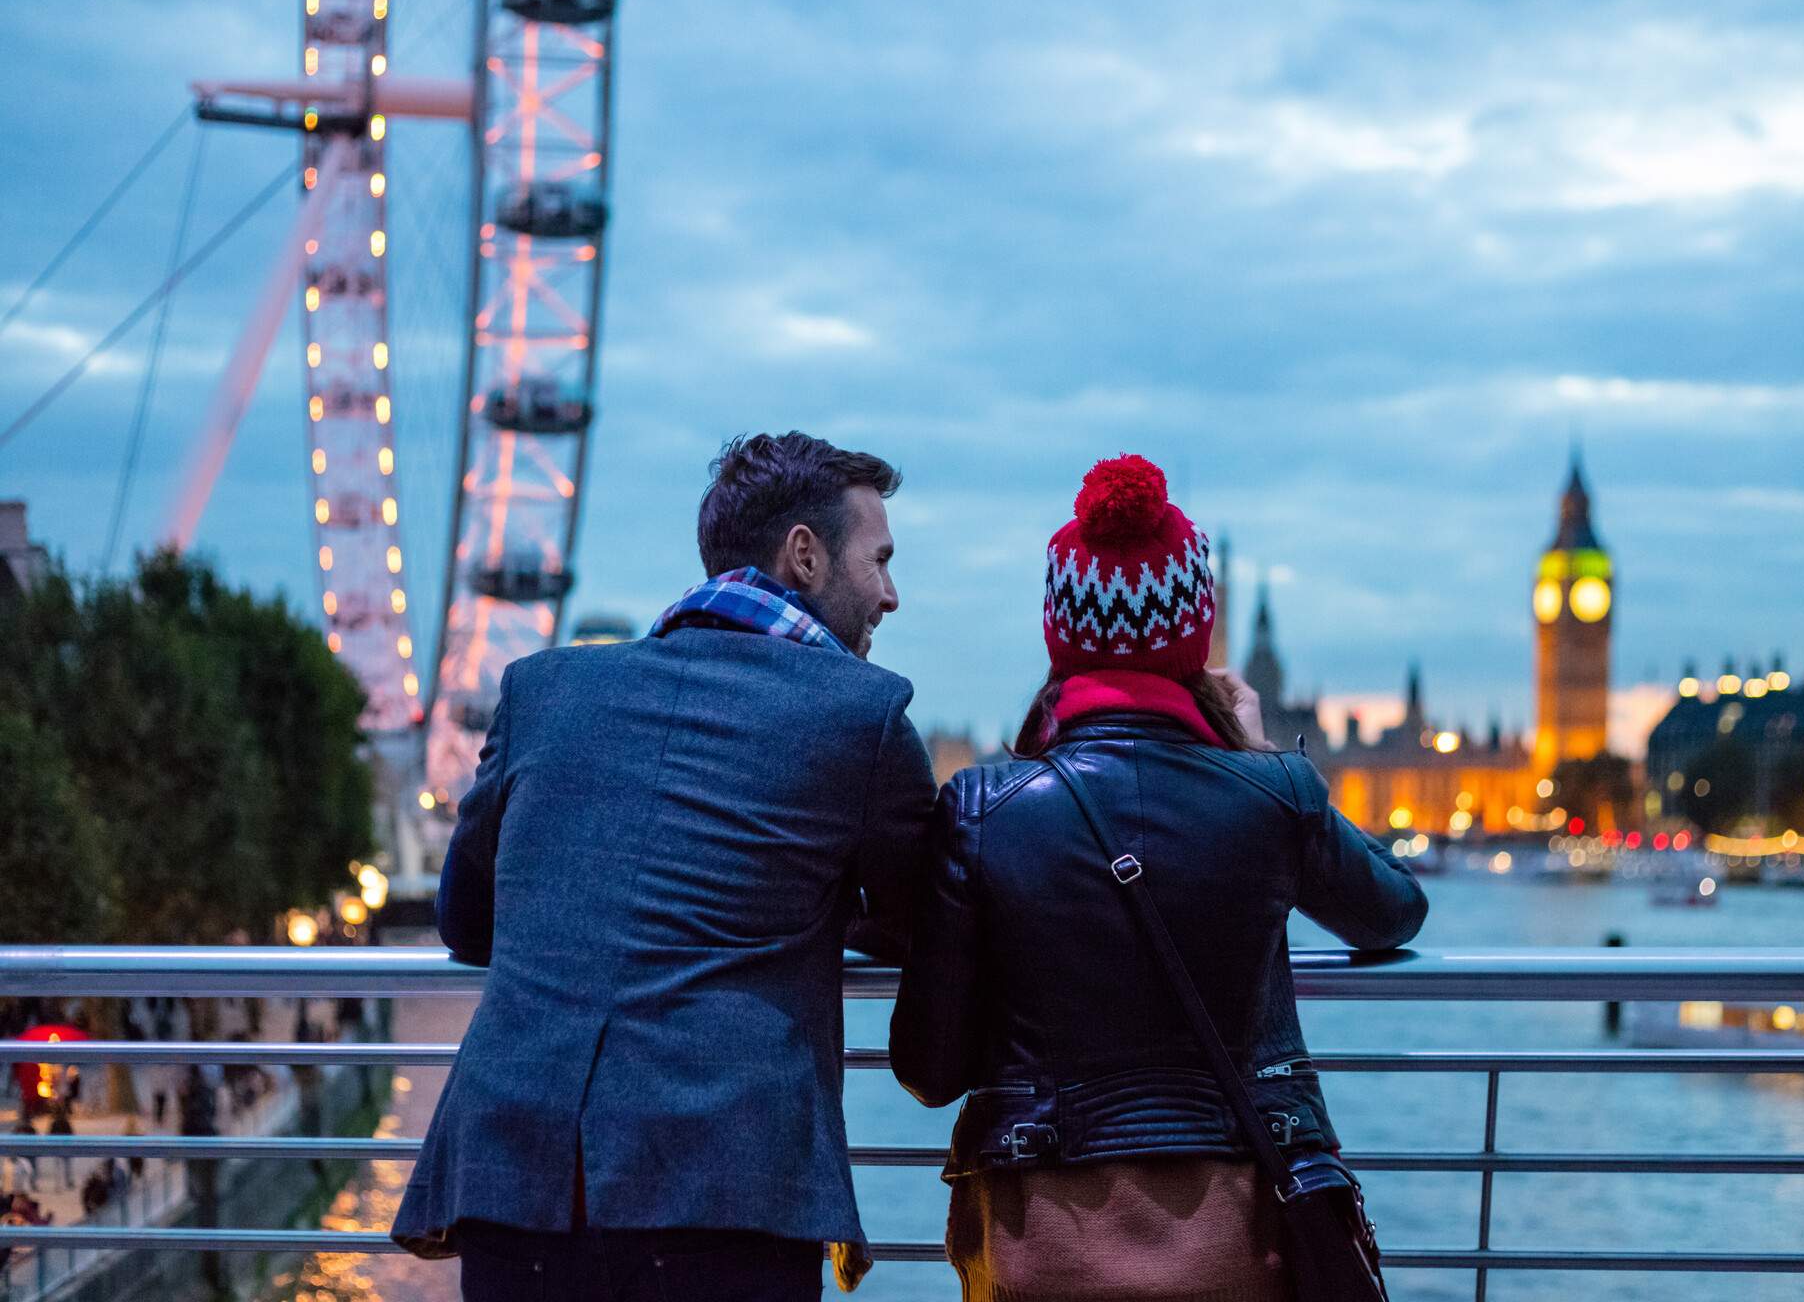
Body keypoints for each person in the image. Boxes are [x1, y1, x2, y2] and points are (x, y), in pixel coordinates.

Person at [392, 432, 937, 1301]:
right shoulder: (864, 715)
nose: (891, 595)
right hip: (721, 1196)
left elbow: (466, 918)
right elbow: (919, 924)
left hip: (517, 1181)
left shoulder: (544, 689)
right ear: (805, 554)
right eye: (880, 560)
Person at [890, 454, 1429, 1301]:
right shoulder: (1272, 794)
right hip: (1242, 1227)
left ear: (1059, 636)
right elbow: (1395, 912)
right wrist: (1258, 760)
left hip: (1045, 1231)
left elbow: (930, 1068)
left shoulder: (983, 808)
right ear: (1196, 637)